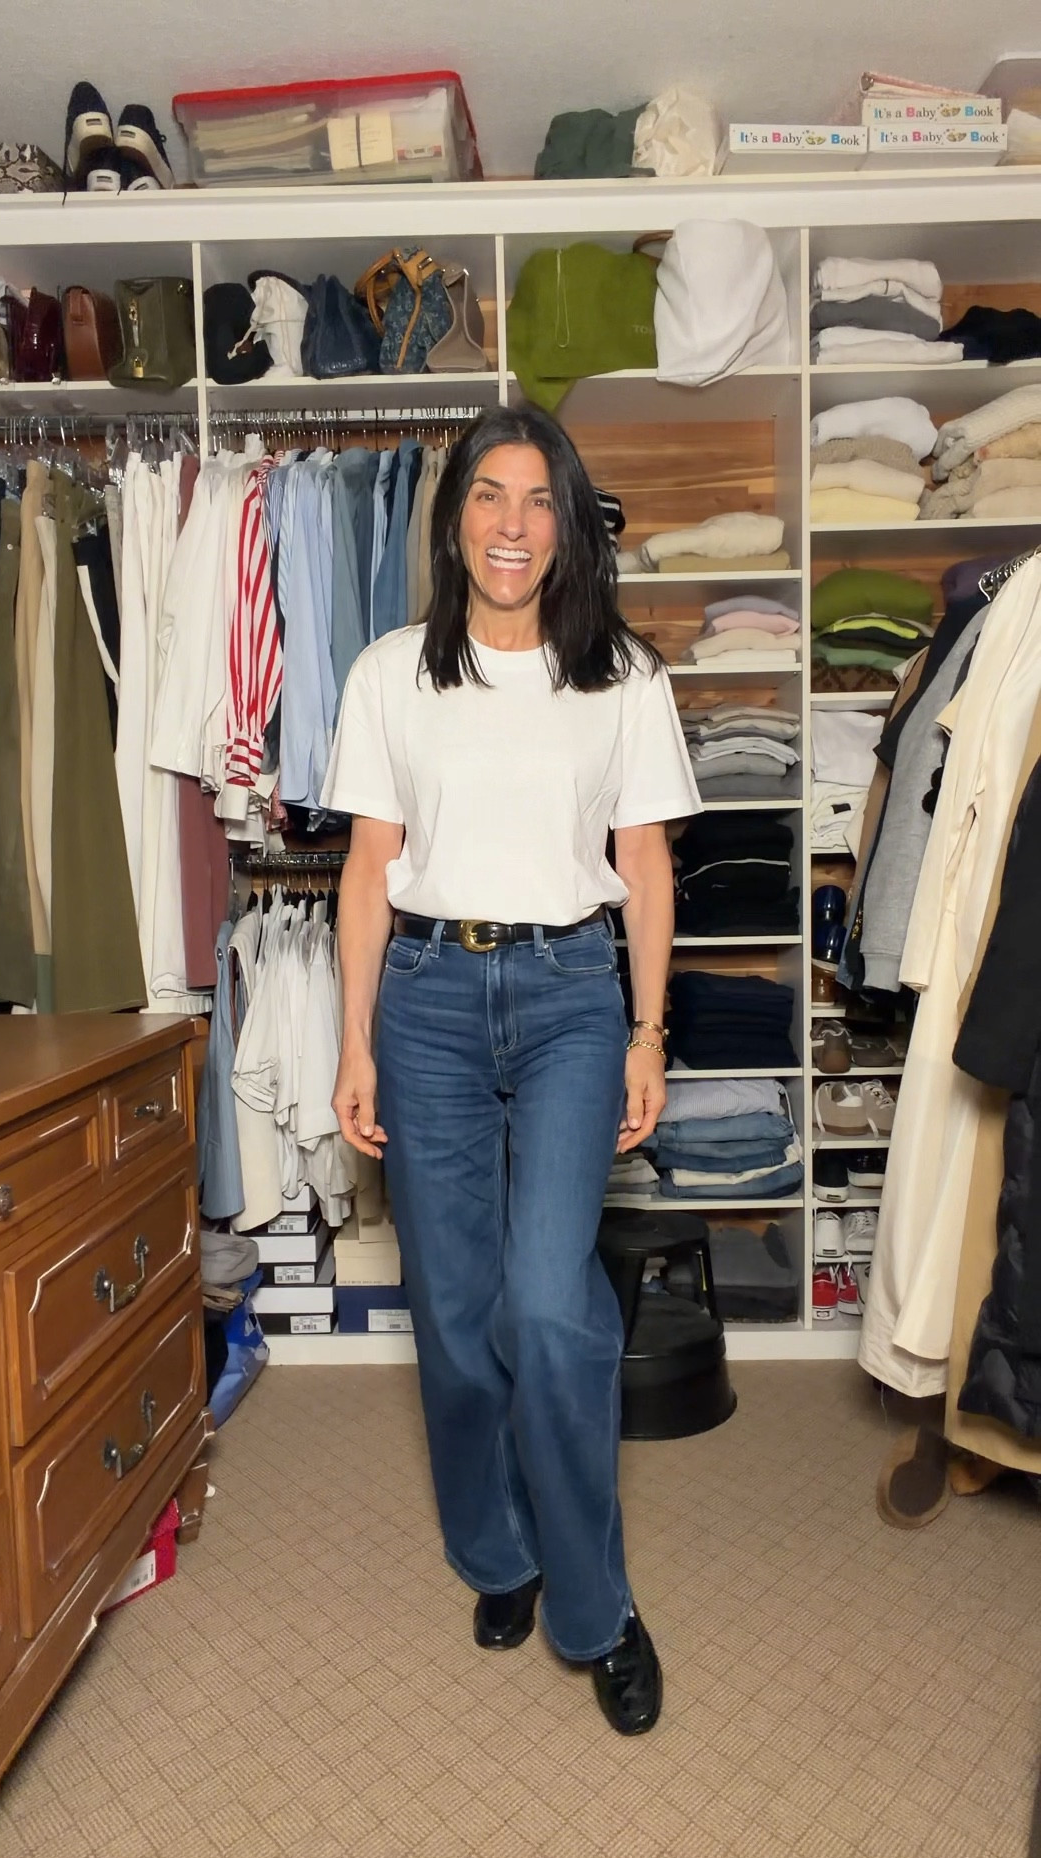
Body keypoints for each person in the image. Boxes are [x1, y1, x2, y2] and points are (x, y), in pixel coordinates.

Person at [324, 404, 699, 1734]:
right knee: (459, 1316)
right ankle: (498, 1553)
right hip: (423, 1000)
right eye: (491, 496)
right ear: (454, 517)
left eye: (540, 501)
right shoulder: (388, 675)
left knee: (549, 1307)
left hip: (567, 1004)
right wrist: (354, 1038)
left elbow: (647, 867)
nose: (513, 525)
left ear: (567, 523)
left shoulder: (623, 676)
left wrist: (650, 1032)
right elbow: (368, 869)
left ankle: (595, 1608)